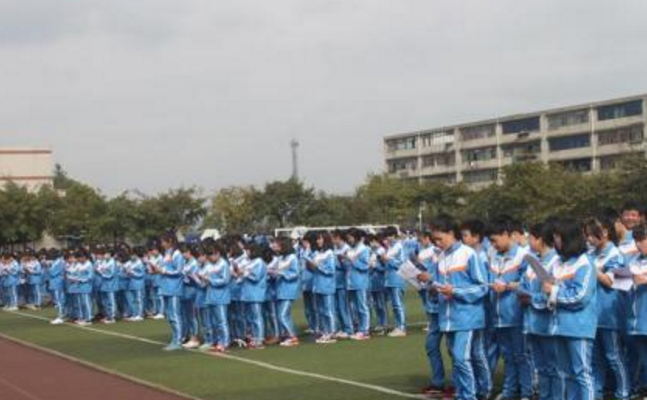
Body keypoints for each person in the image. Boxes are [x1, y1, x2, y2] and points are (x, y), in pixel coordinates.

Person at [427, 215, 489, 400]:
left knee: (463, 358)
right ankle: (465, 393)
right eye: (434, 240)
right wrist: (432, 288)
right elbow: (439, 286)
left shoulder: (468, 254)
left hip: (467, 316)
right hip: (447, 317)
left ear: (451, 233)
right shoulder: (441, 258)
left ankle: (472, 395)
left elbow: (482, 287)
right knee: (458, 358)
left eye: (439, 238)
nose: (437, 243)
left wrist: (455, 291)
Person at [543, 218, 597, 400]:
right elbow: (547, 292)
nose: (555, 241)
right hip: (557, 326)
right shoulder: (557, 262)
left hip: (578, 328)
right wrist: (549, 293)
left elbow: (580, 296)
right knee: (565, 374)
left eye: (558, 237)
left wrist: (554, 292)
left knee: (582, 373)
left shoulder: (584, 262)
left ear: (569, 237)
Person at [583, 216, 631, 400]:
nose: (588, 239)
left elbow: (612, 282)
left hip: (610, 314)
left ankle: (624, 392)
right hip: (592, 315)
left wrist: (591, 268)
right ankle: (597, 391)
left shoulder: (617, 254)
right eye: (587, 235)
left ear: (604, 232)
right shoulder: (590, 254)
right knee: (595, 358)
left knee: (614, 356)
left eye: (591, 235)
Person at [487, 218, 533, 400]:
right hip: (498, 316)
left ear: (506, 234)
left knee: (522, 355)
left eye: (495, 240)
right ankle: (509, 391)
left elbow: (529, 284)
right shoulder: (493, 256)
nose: (493, 245)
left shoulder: (523, 255)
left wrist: (507, 286)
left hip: (517, 315)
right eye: (491, 241)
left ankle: (527, 392)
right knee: (507, 356)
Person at [304, 232, 337, 344]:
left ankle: (332, 333)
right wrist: (310, 264)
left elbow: (331, 270)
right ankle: (325, 331)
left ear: (325, 240)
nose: (318, 241)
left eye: (320, 239)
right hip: (317, 285)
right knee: (321, 311)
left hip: (327, 285)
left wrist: (317, 266)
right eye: (317, 239)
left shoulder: (329, 253)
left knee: (328, 310)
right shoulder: (317, 253)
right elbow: (308, 261)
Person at [154, 233, 185, 351]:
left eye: (163, 241)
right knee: (170, 315)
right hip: (166, 287)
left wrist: (164, 271)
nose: (162, 244)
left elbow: (179, 271)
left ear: (170, 241)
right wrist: (157, 269)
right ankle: (174, 338)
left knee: (175, 314)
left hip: (174, 288)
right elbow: (164, 267)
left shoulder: (177, 254)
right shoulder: (167, 253)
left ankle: (178, 340)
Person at [238, 243, 268, 349]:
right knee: (250, 318)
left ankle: (259, 339)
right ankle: (253, 338)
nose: (246, 253)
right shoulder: (249, 262)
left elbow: (256, 277)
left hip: (256, 293)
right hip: (247, 293)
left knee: (257, 317)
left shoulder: (259, 262)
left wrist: (244, 273)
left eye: (248, 250)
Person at [380, 226, 407, 337]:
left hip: (397, 279)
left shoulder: (399, 246)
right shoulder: (389, 248)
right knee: (394, 305)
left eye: (390, 236)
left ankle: (402, 328)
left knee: (398, 304)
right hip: (389, 279)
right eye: (387, 236)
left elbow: (402, 263)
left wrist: (388, 260)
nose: (388, 238)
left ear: (395, 235)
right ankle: (397, 326)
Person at [273, 236, 301, 347]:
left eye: (278, 244)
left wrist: (282, 273)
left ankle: (293, 337)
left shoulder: (292, 258)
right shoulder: (280, 258)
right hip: (280, 289)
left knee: (282, 315)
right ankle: (289, 335)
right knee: (285, 315)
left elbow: (295, 273)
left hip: (289, 289)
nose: (275, 246)